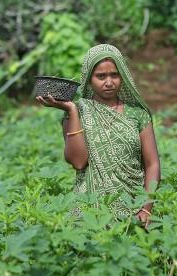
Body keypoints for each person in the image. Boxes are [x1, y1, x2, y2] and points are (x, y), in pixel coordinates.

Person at [36, 43, 161, 227]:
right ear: (89, 79)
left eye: (114, 75)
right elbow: (78, 162)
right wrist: (72, 110)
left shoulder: (137, 114)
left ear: (123, 76)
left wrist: (146, 208)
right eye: (100, 76)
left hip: (132, 208)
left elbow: (153, 164)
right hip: (89, 213)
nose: (109, 82)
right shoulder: (79, 110)